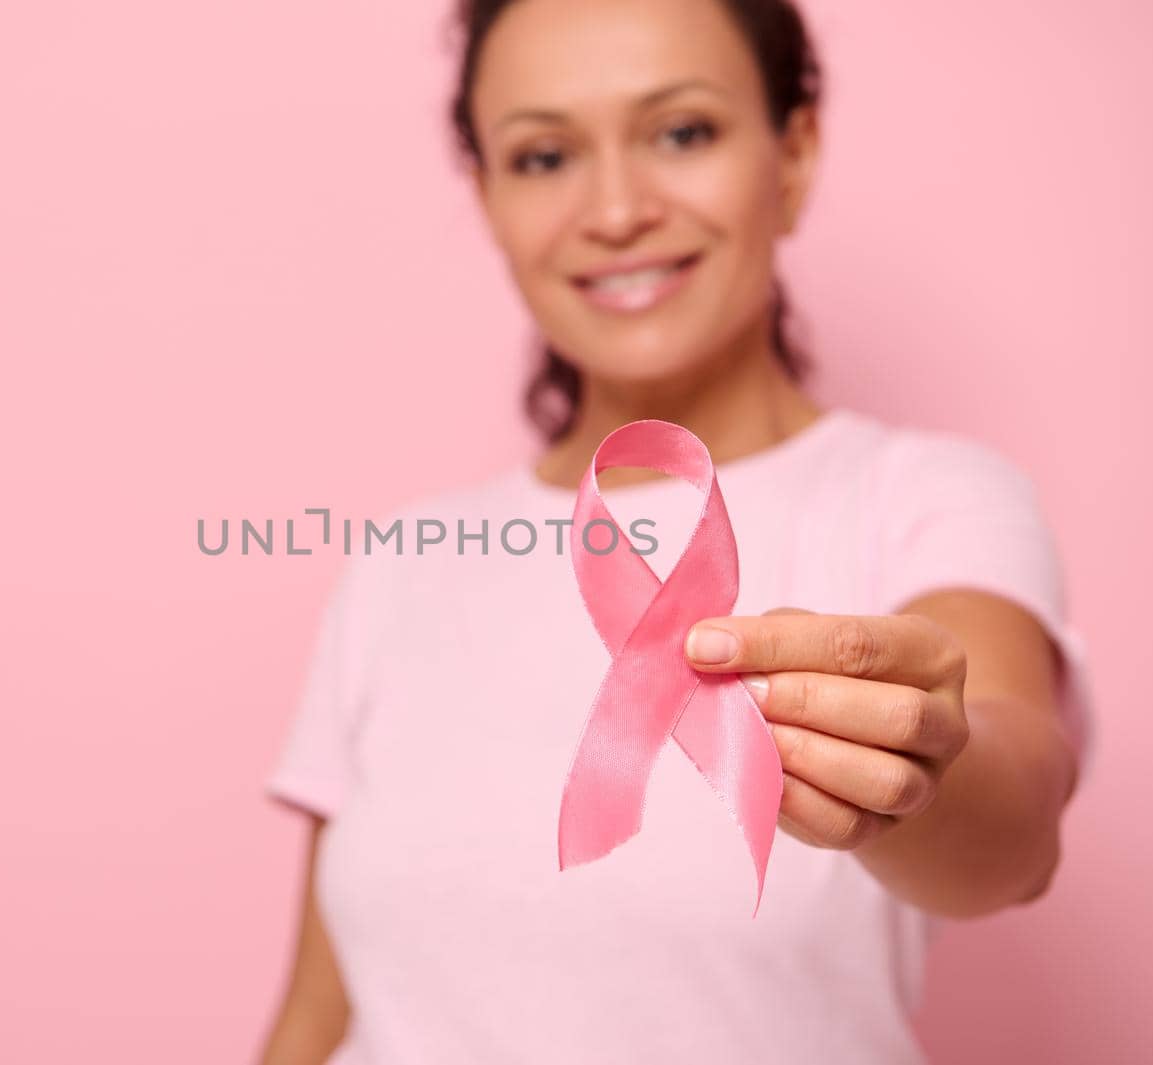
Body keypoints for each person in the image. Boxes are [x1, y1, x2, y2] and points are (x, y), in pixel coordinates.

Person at [256, 1, 1095, 1062]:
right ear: (488, 199)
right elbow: (317, 1017)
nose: (613, 210)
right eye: (544, 154)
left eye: (682, 132)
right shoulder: (402, 562)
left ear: (790, 156)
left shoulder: (923, 498)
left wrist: (919, 764)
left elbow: (1013, 836)